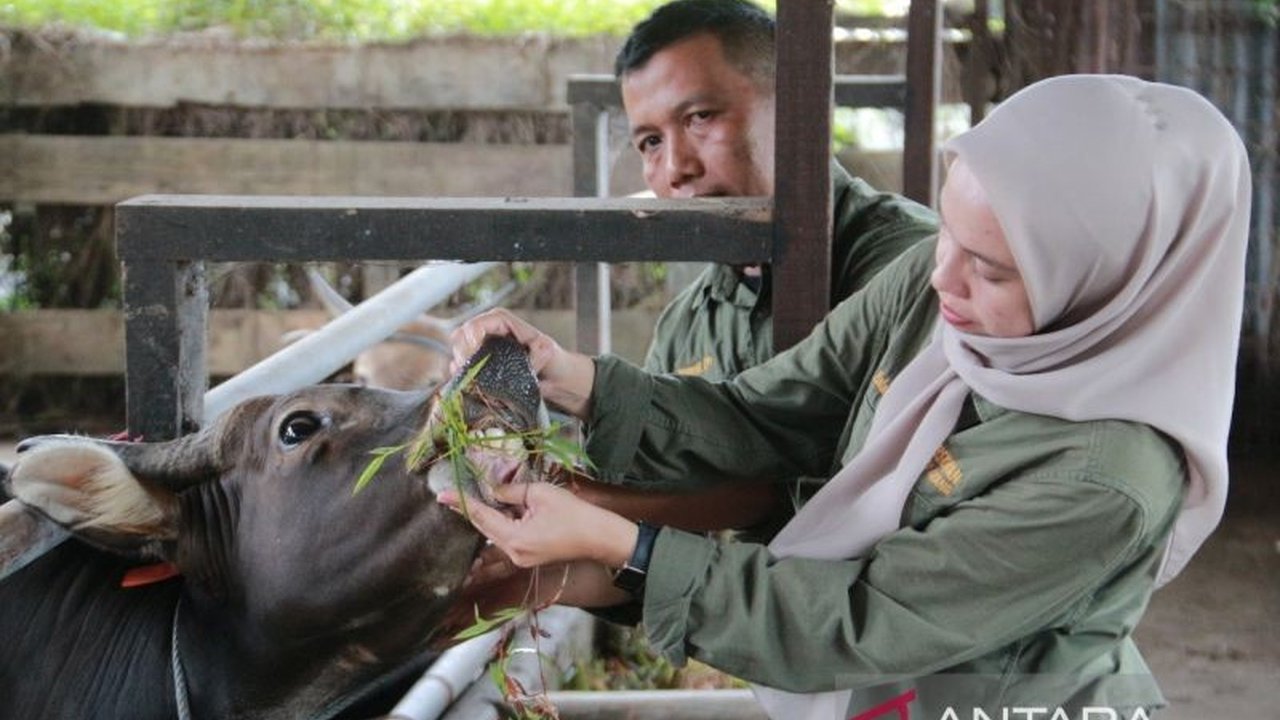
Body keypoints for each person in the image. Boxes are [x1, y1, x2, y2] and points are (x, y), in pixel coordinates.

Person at [444, 75, 1250, 718]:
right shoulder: (936, 293)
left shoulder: (1106, 477)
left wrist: (622, 544)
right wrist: (565, 374)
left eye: (995, 270)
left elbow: (850, 619)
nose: (945, 281)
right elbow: (767, 413)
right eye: (948, 237)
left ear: (1113, 284)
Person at [617, 0, 937, 381]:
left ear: (795, 108)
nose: (676, 169)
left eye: (700, 117)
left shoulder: (921, 268)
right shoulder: (685, 327)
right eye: (651, 142)